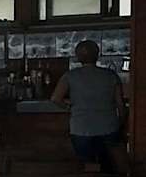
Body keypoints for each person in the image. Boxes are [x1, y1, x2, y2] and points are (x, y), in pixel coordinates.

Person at [52, 39, 125, 169]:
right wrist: (121, 123)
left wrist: (70, 107)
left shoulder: (70, 76)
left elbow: (55, 99)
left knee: (86, 166)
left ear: (78, 57)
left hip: (81, 127)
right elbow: (120, 104)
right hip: (108, 127)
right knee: (108, 167)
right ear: (97, 54)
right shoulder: (111, 75)